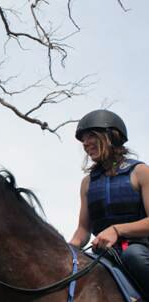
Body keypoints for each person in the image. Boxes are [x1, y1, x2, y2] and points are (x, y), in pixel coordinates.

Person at [69, 109, 149, 298]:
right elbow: (83, 230)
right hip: (103, 252)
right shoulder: (87, 183)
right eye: (83, 140)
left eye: (91, 136)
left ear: (112, 136)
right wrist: (66, 250)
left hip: (141, 247)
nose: (85, 143)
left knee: (134, 256)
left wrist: (117, 230)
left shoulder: (140, 172)